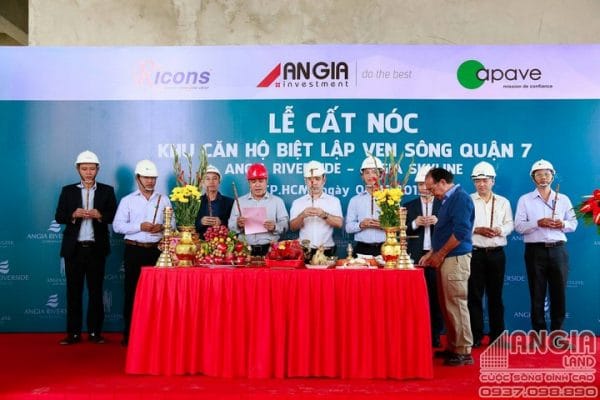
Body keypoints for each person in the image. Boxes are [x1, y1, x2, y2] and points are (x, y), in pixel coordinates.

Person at [54, 150, 117, 345]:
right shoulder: (68, 191)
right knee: (73, 293)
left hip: (96, 249)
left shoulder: (107, 190)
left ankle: (95, 333)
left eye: (92, 168)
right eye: (84, 169)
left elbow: (114, 216)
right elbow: (59, 216)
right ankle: (73, 334)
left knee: (96, 292)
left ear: (98, 169)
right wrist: (73, 215)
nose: (88, 172)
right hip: (74, 250)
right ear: (78, 169)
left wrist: (100, 215)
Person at [112, 159, 173, 345]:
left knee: (159, 295)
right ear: (138, 178)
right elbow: (117, 226)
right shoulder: (128, 200)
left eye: (153, 178)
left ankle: (156, 336)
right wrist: (140, 226)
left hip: (157, 252)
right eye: (146, 177)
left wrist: (162, 227)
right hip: (134, 250)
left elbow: (173, 224)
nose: (150, 181)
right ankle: (129, 335)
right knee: (132, 293)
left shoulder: (164, 199)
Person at [514, 159, 577, 332]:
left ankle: (558, 334)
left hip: (558, 251)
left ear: (552, 176)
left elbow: (573, 223)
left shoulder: (563, 199)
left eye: (547, 174)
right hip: (535, 251)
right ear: (533, 178)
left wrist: (562, 224)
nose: (543, 177)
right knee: (537, 294)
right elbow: (518, 226)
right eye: (539, 174)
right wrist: (537, 223)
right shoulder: (525, 200)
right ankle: (538, 334)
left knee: (559, 294)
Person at [420, 167, 474, 366]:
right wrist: (432, 253)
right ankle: (454, 346)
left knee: (456, 303)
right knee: (447, 304)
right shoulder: (447, 200)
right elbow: (444, 232)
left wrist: (440, 254)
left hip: (455, 258)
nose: (431, 193)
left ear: (442, 182)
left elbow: (460, 232)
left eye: (432, 188)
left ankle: (463, 351)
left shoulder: (460, 198)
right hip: (446, 257)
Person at [468, 162, 514, 348]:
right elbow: (462, 224)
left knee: (496, 297)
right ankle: (475, 336)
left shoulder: (503, 202)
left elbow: (510, 223)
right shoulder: (468, 200)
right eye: (477, 181)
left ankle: (497, 337)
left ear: (493, 181)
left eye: (485, 180)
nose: (481, 184)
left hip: (496, 254)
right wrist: (476, 229)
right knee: (474, 296)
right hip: (475, 254)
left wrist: (499, 230)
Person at [404, 165, 443, 348]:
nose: (424, 188)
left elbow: (452, 230)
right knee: (414, 299)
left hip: (437, 255)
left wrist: (438, 221)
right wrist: (414, 223)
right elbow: (399, 232)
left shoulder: (443, 204)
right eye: (420, 184)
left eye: (426, 184)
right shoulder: (408, 206)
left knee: (436, 297)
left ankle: (435, 335)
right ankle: (416, 335)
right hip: (415, 256)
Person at [228, 163, 289, 256]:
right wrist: (238, 224)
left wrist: (275, 227)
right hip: (244, 250)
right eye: (253, 182)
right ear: (249, 183)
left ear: (266, 181)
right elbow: (230, 226)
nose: (257, 185)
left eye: (261, 181)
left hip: (270, 250)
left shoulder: (277, 201)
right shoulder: (239, 202)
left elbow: (285, 225)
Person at [290, 160, 343, 260]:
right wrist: (302, 216)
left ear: (324, 179)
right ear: (305, 180)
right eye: (310, 179)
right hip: (304, 251)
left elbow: (339, 224)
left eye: (317, 179)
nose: (313, 183)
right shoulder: (297, 202)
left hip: (326, 251)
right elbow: (292, 227)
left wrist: (324, 215)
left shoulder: (334, 201)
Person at [345, 156, 386, 256]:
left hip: (386, 248)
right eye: (367, 172)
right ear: (362, 176)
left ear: (381, 175)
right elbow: (348, 228)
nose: (370, 176)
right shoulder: (355, 200)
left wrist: (384, 226)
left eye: (374, 172)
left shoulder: (391, 198)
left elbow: (399, 226)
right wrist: (361, 225)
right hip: (362, 249)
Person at [194, 165, 234, 239]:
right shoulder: (195, 202)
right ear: (202, 182)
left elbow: (235, 226)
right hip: (200, 242)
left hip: (222, 242)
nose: (211, 182)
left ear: (219, 181)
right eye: (207, 179)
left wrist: (221, 223)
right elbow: (188, 226)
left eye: (215, 178)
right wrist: (201, 222)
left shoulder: (230, 202)